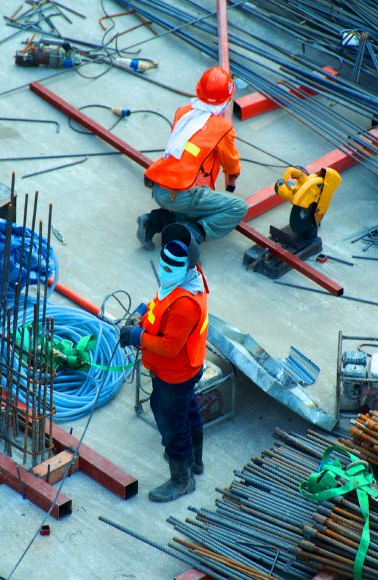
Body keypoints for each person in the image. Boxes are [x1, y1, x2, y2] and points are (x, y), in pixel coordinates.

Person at [119, 223, 208, 502]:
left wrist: (136, 335)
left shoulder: (185, 305)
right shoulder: (185, 280)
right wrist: (142, 312)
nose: (165, 271)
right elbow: (160, 302)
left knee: (173, 425)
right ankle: (195, 462)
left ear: (187, 266)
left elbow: (170, 347)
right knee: (188, 411)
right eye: (163, 265)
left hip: (175, 373)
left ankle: (182, 480)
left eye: (172, 268)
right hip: (185, 369)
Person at [136, 66, 248, 250]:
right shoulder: (223, 128)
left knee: (191, 204)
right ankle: (191, 233)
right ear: (226, 100)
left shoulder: (183, 112)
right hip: (181, 194)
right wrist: (233, 176)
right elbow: (230, 163)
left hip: (158, 186)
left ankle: (153, 222)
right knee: (237, 207)